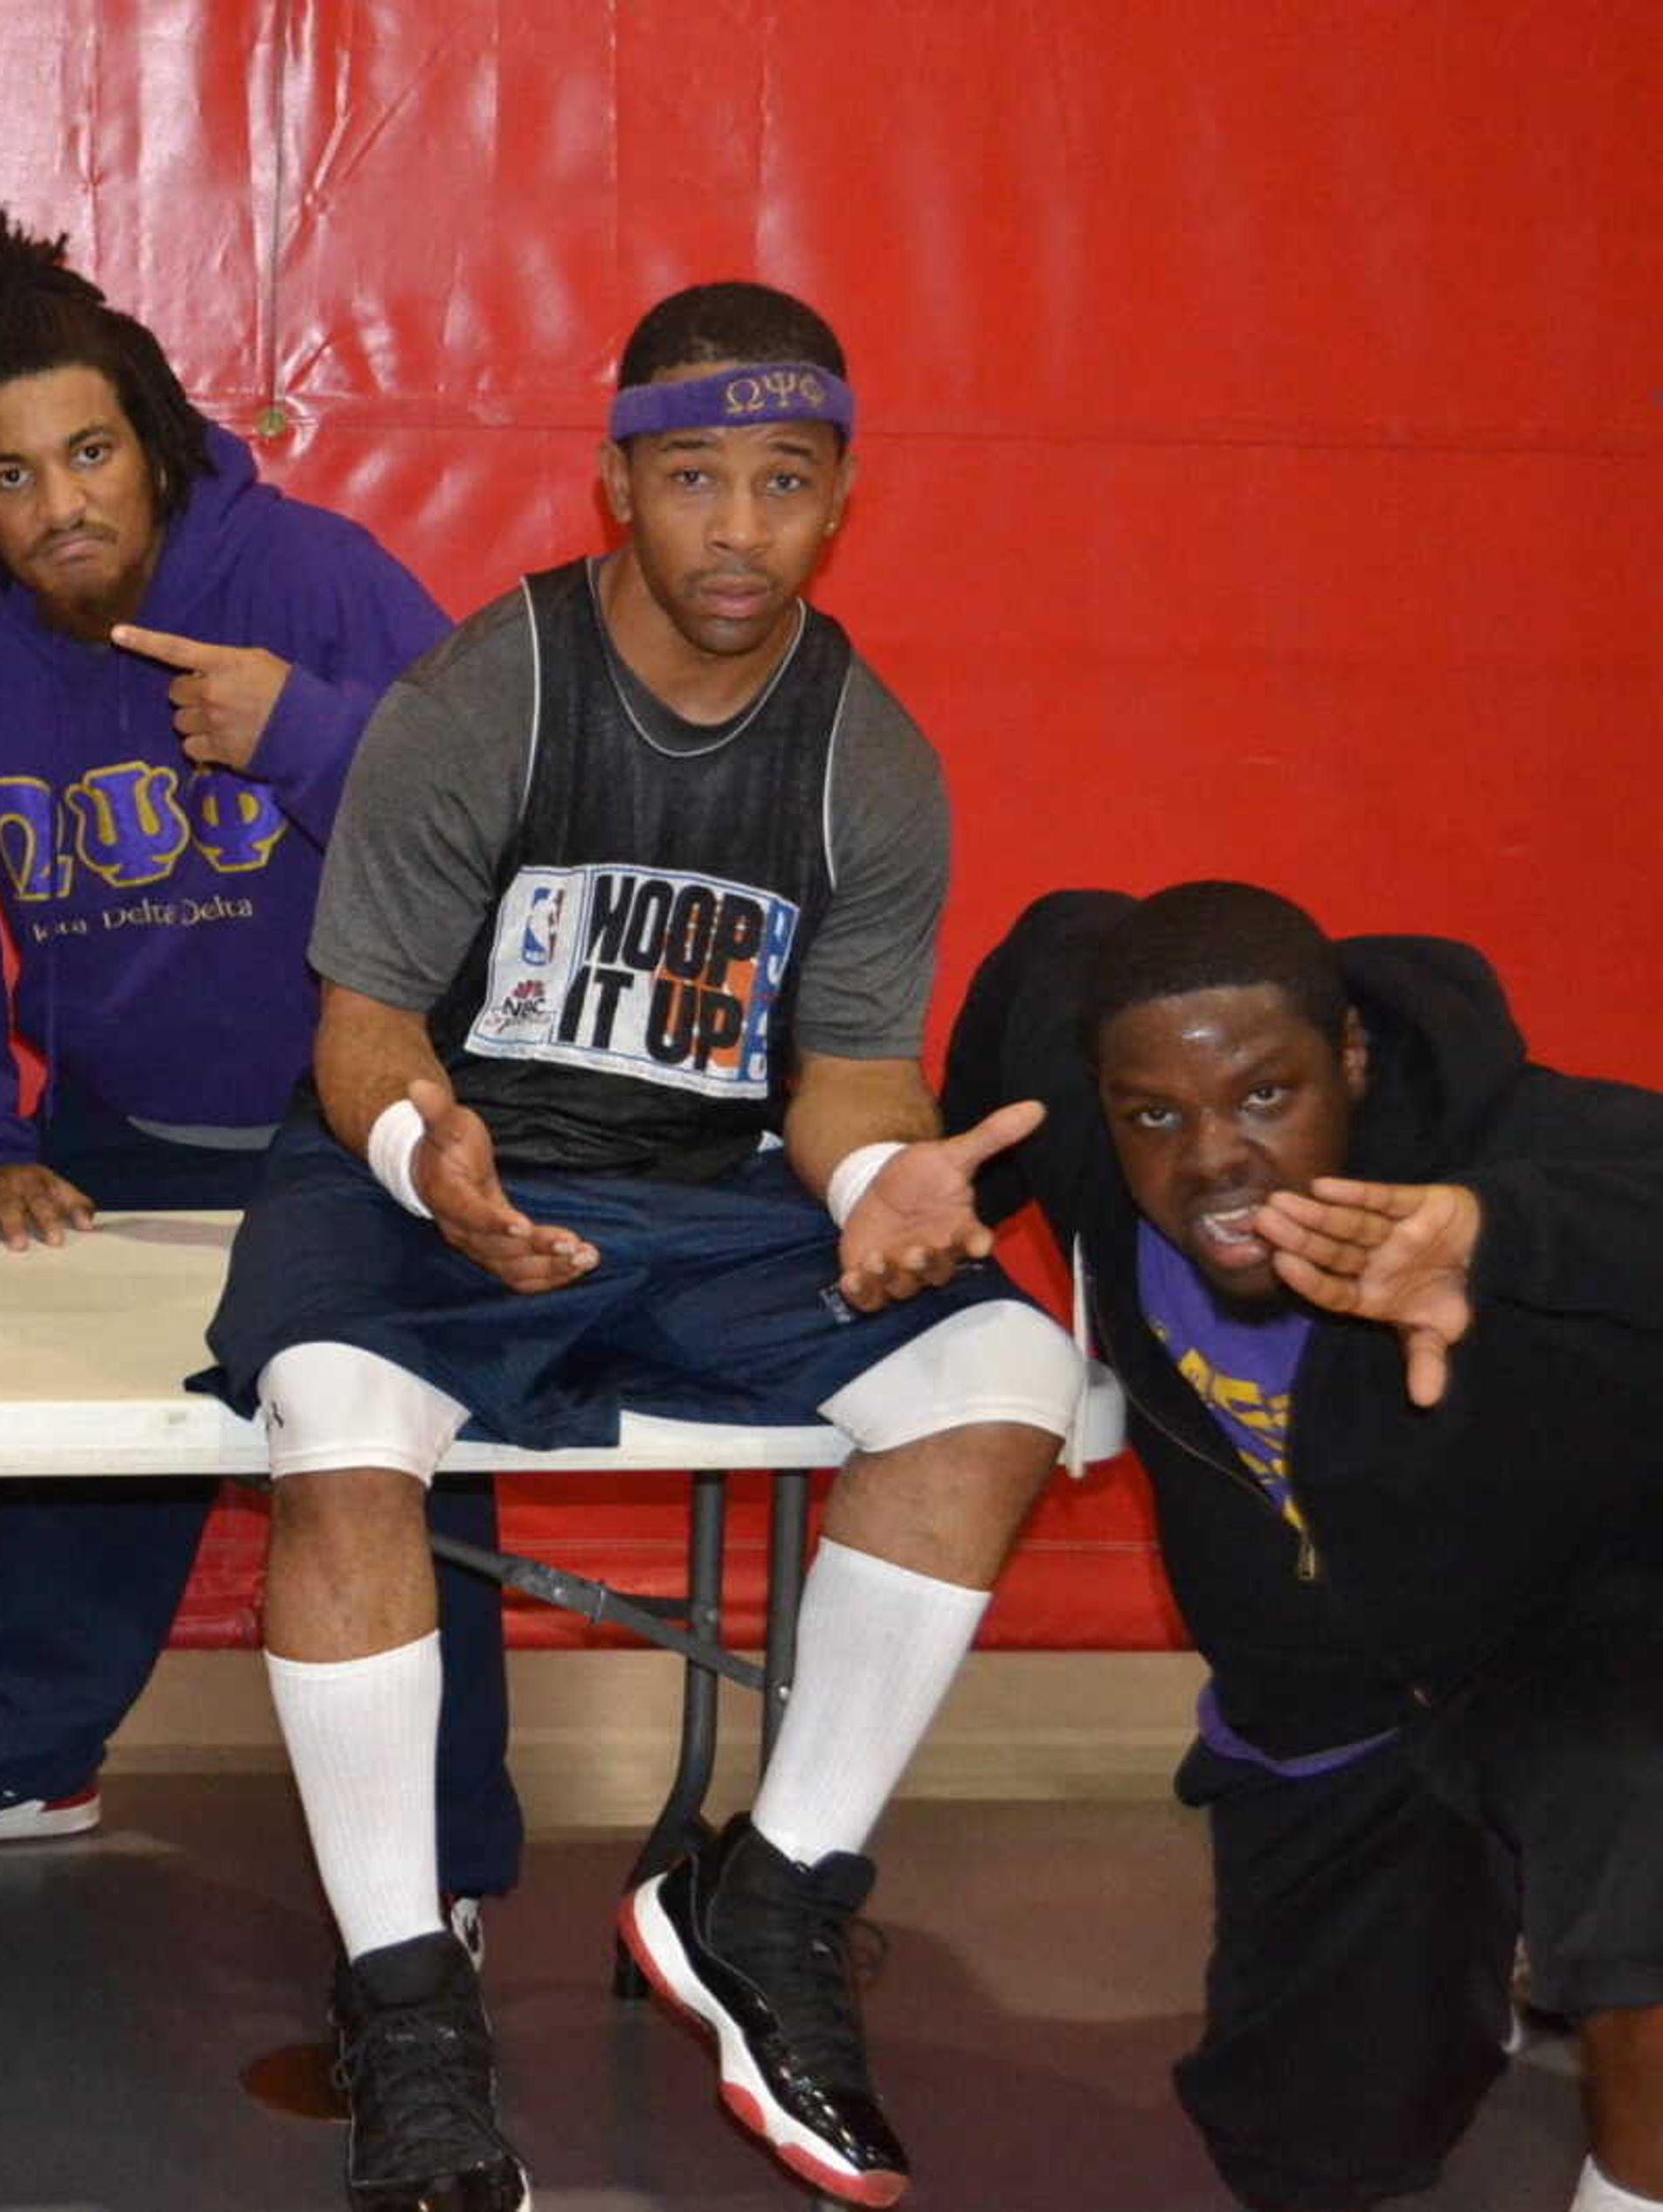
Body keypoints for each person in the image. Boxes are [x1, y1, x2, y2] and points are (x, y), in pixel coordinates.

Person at [194, 282, 1091, 2210]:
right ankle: (407, 2000)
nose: (739, 530)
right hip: (424, 1172)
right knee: (336, 1420)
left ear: (841, 499)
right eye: (696, 480)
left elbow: (848, 1077)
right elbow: (362, 1029)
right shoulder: (484, 695)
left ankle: (767, 1894)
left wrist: (882, 1189)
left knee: (1013, 1374)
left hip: (713, 1203)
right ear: (618, 488)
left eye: (784, 483)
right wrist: (435, 1157)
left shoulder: (872, 758)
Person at [0, 213, 525, 1914]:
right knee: (83, 1434)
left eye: (88, 453)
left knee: (395, 1457)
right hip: (118, 1122)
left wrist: (299, 727)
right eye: (10, 477)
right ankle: (24, 1754)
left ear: (152, 445)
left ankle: (434, 1856)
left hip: (351, 1123)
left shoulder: (308, 574)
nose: (61, 504)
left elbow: (505, 802)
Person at [942, 880, 1663, 2212]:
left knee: (1635, 1829)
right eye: (1157, 1111)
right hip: (1338, 1703)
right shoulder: (1091, 1085)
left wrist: (1501, 1235)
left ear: (1351, 1059)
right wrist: (941, 1175)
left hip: (1571, 1632)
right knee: (1314, 2152)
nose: (1213, 1157)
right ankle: (1483, 1926)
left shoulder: (1508, 1140)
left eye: (1266, 1095)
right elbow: (1047, 949)